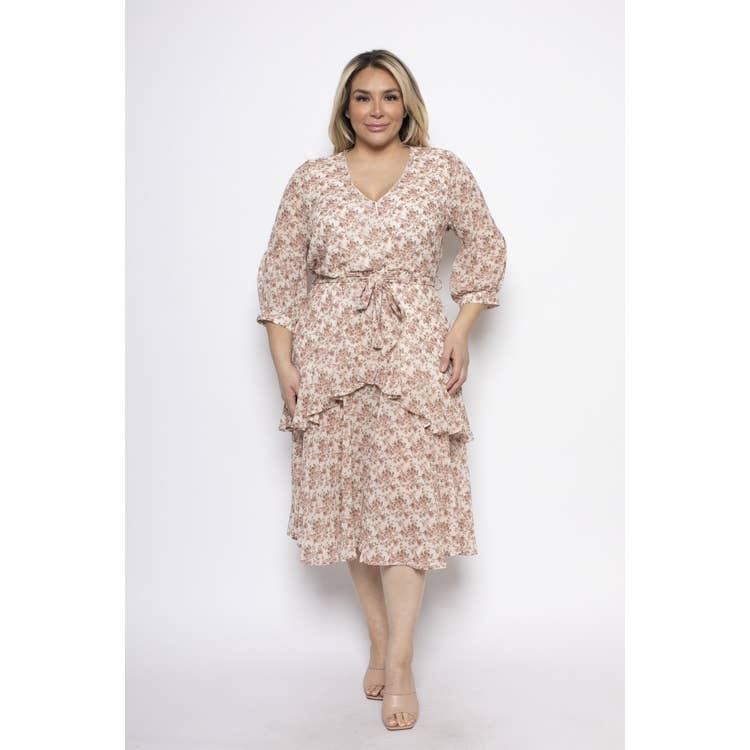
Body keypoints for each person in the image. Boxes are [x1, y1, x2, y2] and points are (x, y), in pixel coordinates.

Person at [256, 49, 507, 731]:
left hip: (413, 353)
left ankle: (400, 664)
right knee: (353, 506)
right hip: (330, 357)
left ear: (407, 105)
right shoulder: (313, 180)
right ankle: (378, 639)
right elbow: (280, 275)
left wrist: (461, 329)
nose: (377, 110)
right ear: (346, 106)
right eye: (363, 97)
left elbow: (486, 245)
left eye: (390, 96)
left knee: (404, 508)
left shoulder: (441, 171)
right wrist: (284, 364)